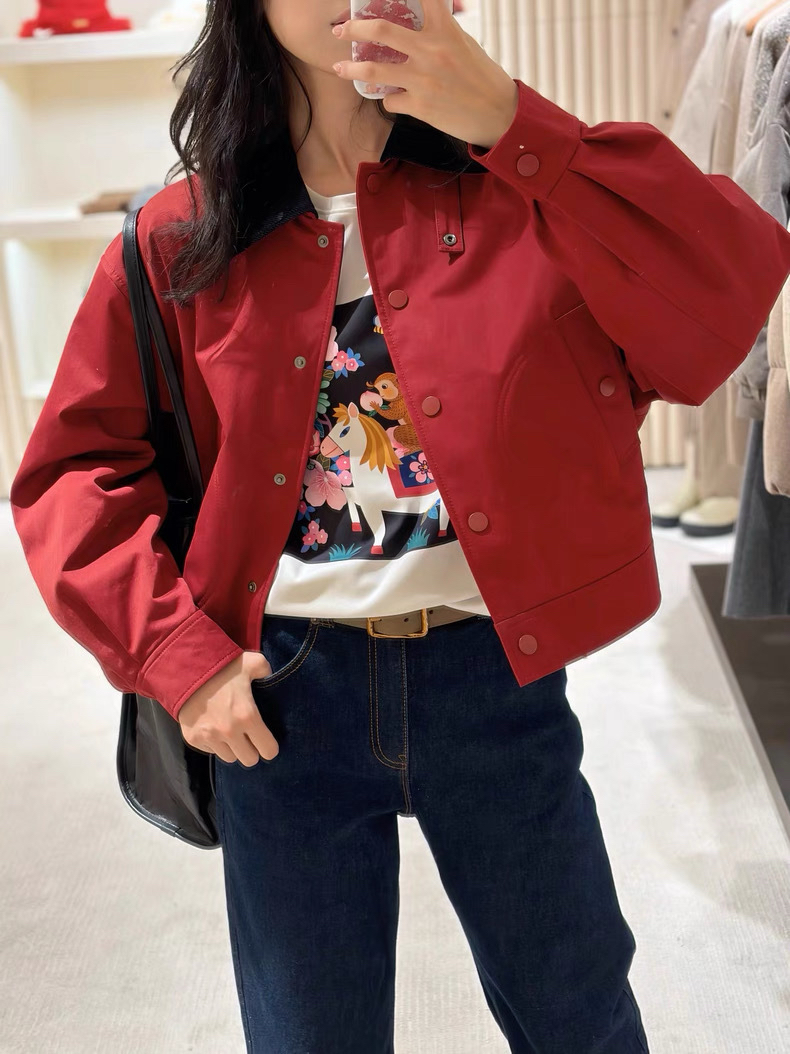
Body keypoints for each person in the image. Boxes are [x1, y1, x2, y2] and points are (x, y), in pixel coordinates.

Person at [10, 1, 790, 1052]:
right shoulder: (179, 234)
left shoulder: (532, 190)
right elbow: (75, 471)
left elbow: (725, 296)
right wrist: (175, 656)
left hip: (492, 681)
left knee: (581, 1019)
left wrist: (515, 121)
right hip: (279, 701)